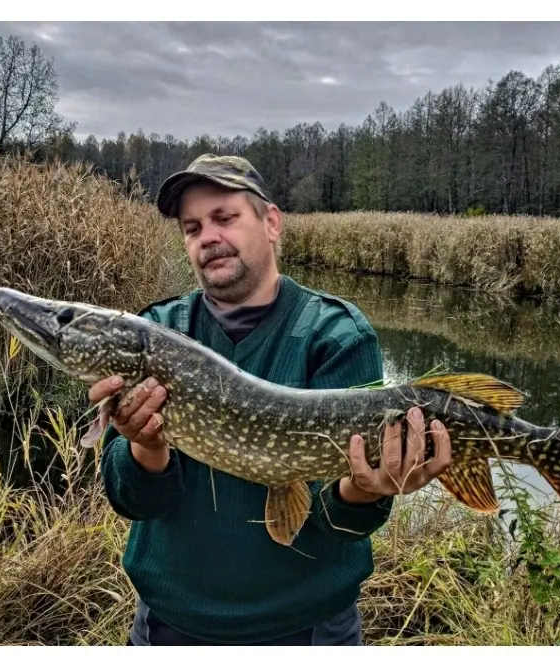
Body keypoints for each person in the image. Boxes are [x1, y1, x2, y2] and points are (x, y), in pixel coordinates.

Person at [91, 154, 452, 646]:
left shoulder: (336, 335)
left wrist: (366, 491)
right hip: (170, 626)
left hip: (307, 629)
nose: (208, 237)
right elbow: (130, 499)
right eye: (192, 227)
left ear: (272, 222)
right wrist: (145, 448)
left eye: (225, 218)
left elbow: (339, 521)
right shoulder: (155, 333)